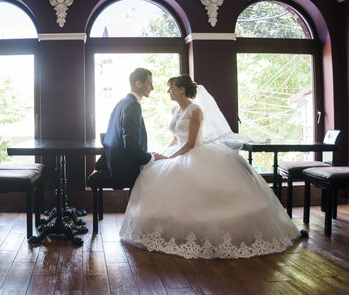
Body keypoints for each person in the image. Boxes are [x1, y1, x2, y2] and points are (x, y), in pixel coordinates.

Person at [119, 74, 301, 259]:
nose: (168, 91)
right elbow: (176, 138)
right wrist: (163, 153)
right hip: (177, 151)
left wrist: (169, 157)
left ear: (181, 89)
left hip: (194, 154)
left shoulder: (195, 111)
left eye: (171, 87)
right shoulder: (175, 110)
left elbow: (190, 143)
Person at [98, 68, 164, 189]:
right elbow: (130, 143)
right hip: (124, 168)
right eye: (149, 83)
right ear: (138, 84)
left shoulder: (123, 102)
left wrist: (147, 154)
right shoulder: (133, 105)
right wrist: (150, 158)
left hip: (116, 161)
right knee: (163, 174)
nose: (152, 88)